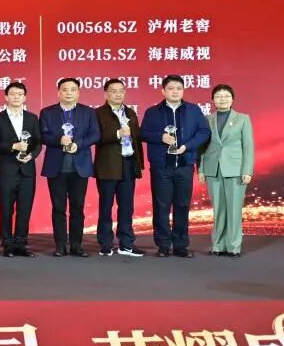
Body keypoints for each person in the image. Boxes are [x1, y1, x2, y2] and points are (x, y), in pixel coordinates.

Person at [140, 75, 211, 258]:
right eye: (171, 88)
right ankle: (163, 245)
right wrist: (160, 137)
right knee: (161, 206)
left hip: (184, 165)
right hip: (161, 167)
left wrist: (188, 146)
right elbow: (143, 133)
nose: (175, 92)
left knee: (182, 206)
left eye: (179, 88)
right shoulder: (152, 112)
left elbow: (204, 132)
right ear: (163, 91)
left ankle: (180, 245)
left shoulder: (193, 110)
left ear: (183, 90)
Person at [39, 78, 100, 257]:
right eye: (65, 89)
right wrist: (58, 140)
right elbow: (42, 135)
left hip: (79, 167)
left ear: (78, 92)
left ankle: (76, 245)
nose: (69, 93)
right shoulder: (47, 112)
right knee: (58, 208)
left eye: (73, 89)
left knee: (77, 208)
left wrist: (78, 144)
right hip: (56, 167)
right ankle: (60, 245)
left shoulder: (88, 112)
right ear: (59, 92)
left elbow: (95, 134)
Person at [200, 84, 255, 258]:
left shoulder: (243, 119)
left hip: (236, 170)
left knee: (234, 209)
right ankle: (217, 245)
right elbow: (202, 147)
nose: (222, 99)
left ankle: (233, 246)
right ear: (212, 100)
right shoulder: (207, 119)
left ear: (232, 99)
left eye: (226, 96)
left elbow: (248, 146)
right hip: (213, 169)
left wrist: (247, 170)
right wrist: (201, 170)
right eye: (218, 96)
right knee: (218, 209)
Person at [93, 78, 144, 257]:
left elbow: (137, 139)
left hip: (128, 164)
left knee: (127, 207)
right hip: (107, 166)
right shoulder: (98, 113)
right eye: (113, 91)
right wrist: (117, 133)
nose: (118, 94)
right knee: (106, 206)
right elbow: (95, 137)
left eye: (121, 91)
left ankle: (126, 243)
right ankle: (105, 243)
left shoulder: (130, 112)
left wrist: (139, 165)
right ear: (106, 94)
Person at [0, 81, 41, 257]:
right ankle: (7, 243)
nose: (16, 97)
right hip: (7, 170)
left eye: (20, 94)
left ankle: (21, 244)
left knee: (24, 209)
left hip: (27, 171)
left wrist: (31, 155)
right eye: (12, 94)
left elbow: (38, 143)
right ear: (6, 97)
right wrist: (13, 146)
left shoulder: (32, 118)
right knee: (6, 209)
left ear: (25, 97)